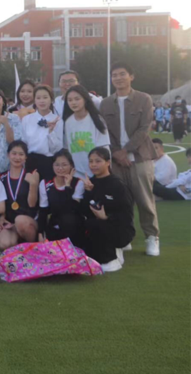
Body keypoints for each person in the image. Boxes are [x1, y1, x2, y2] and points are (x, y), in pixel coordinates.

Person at [100, 62, 159, 256]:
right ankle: (125, 237)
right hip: (116, 160)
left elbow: (144, 128)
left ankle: (152, 237)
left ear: (131, 76)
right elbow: (104, 132)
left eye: (122, 74)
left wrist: (126, 151)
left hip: (140, 158)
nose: (118, 78)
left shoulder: (144, 99)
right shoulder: (105, 103)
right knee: (121, 202)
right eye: (114, 75)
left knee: (145, 200)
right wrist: (117, 153)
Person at [80, 147, 136, 272]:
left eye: (98, 161)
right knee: (85, 223)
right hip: (98, 227)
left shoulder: (117, 185)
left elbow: (127, 214)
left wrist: (107, 217)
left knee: (96, 224)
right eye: (91, 161)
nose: (93, 165)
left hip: (120, 228)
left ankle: (112, 259)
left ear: (108, 162)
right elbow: (85, 211)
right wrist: (88, 192)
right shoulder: (90, 183)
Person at [0, 141, 40, 250]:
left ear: (25, 157)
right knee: (4, 244)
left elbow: (32, 204)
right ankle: (17, 246)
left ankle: (30, 249)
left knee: (20, 221)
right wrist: (1, 218)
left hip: (27, 221)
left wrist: (33, 184)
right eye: (14, 153)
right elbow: (0, 203)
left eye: (21, 154)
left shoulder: (32, 175)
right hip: (10, 223)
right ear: (8, 155)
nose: (17, 157)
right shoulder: (1, 177)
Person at [36, 149, 85, 243]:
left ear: (71, 166)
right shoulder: (45, 183)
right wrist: (40, 232)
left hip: (73, 225)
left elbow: (70, 208)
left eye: (64, 165)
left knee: (68, 219)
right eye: (57, 165)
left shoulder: (78, 183)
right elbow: (43, 210)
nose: (60, 168)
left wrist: (67, 186)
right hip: (55, 222)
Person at [62, 84, 110, 178]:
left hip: (96, 172)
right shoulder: (68, 122)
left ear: (85, 99)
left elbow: (104, 148)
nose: (73, 103)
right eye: (70, 100)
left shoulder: (97, 120)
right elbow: (67, 147)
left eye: (77, 99)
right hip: (77, 173)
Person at [21, 84, 63, 181]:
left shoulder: (58, 120)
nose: (42, 101)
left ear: (51, 99)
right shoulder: (26, 119)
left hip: (49, 162)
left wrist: (51, 132)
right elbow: (24, 143)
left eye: (45, 97)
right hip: (31, 162)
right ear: (34, 100)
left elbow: (57, 149)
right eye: (38, 98)